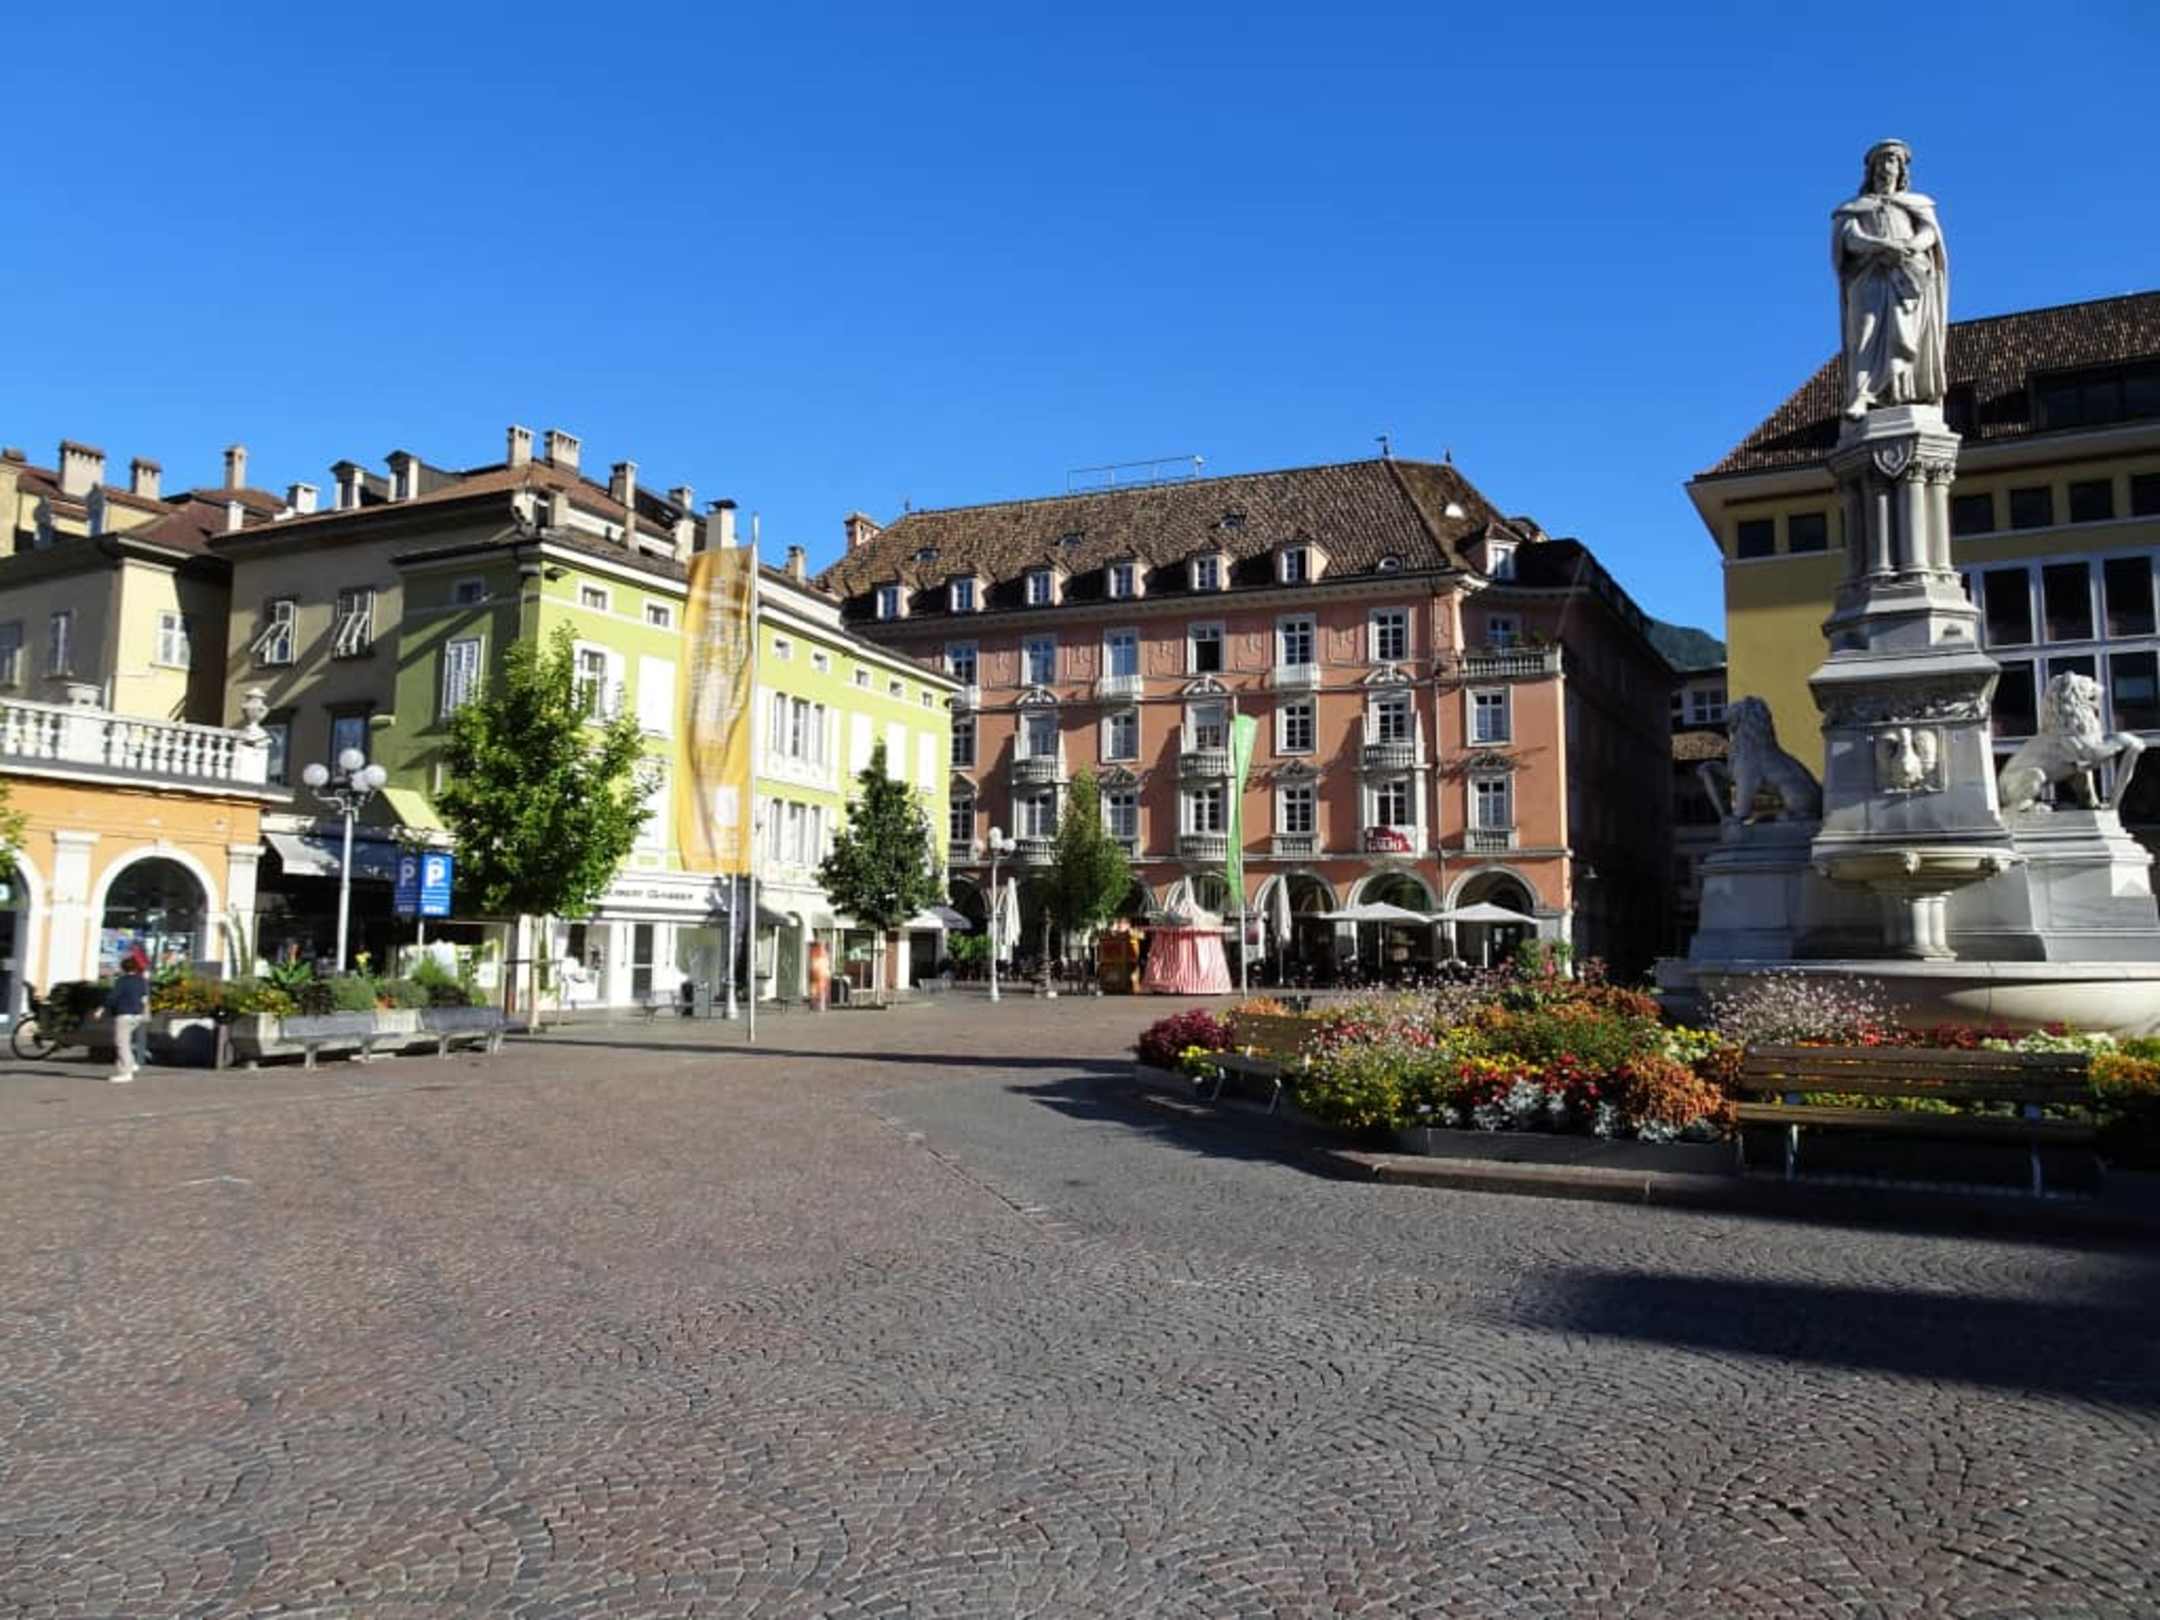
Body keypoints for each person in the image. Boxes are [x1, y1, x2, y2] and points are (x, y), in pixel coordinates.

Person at [104, 948, 150, 1084]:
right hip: (137, 1015)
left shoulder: (122, 981)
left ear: (123, 968)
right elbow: (144, 998)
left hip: (124, 1014)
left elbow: (113, 997)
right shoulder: (141, 981)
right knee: (126, 1041)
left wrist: (102, 1008)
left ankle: (126, 1072)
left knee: (122, 1043)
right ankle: (131, 1063)